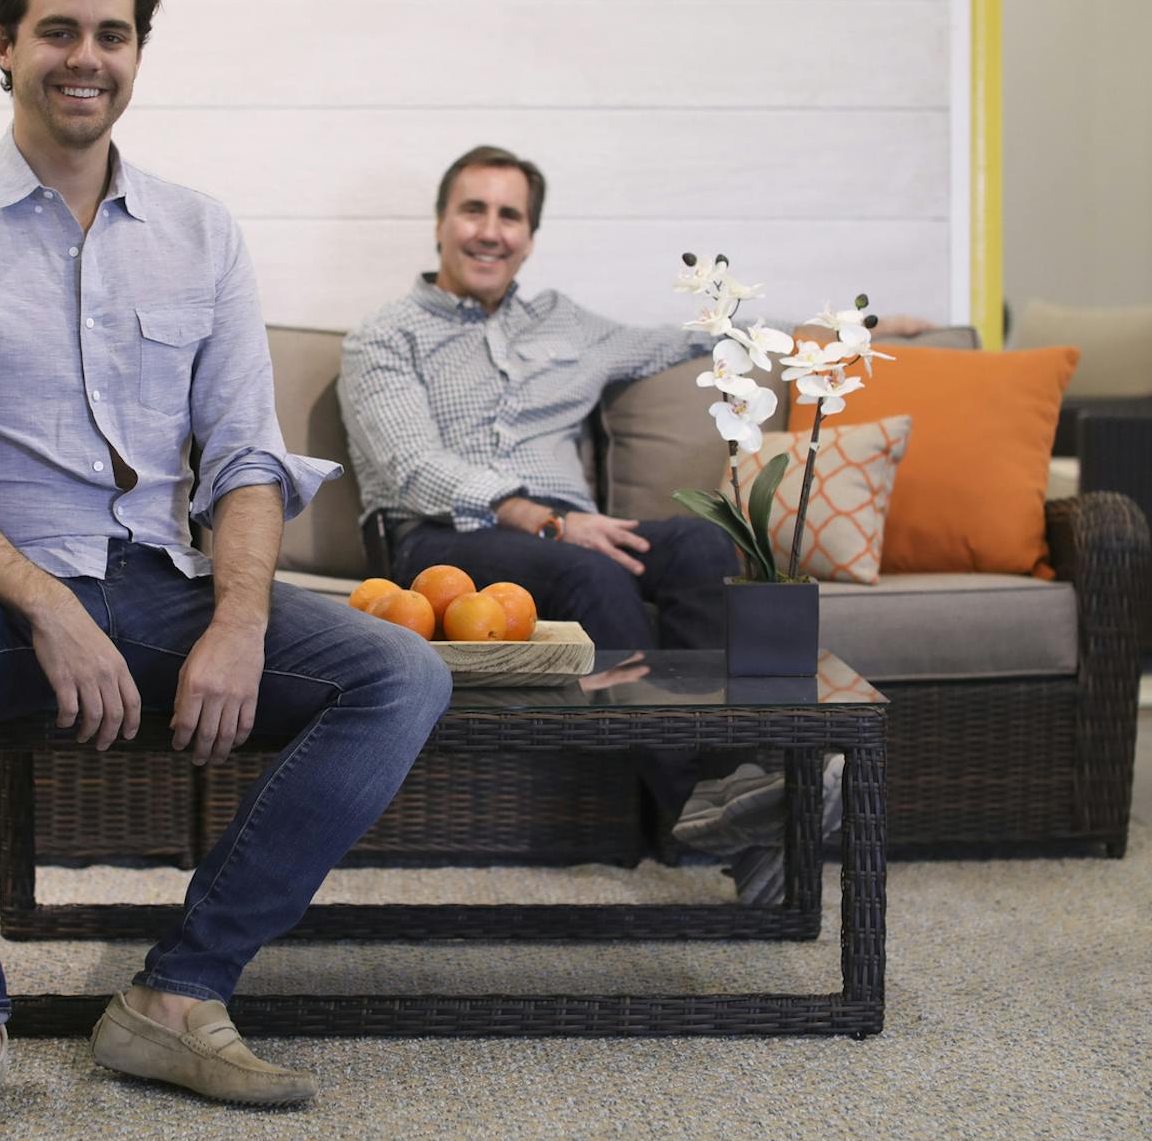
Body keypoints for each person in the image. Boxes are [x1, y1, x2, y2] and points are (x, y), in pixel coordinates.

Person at [0, 0, 450, 1141]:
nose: (87, 56)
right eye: (58, 29)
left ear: (137, 52)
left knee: (400, 670)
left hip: (165, 583)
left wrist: (237, 622)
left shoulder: (201, 232)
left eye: (112, 33)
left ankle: (178, 993)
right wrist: (49, 603)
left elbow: (244, 454)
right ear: (5, 44)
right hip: (0, 608)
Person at [338, 146, 928, 891]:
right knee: (593, 572)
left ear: (530, 236)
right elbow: (410, 465)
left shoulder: (566, 323)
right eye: (473, 210)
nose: (490, 231)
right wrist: (545, 520)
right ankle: (699, 813)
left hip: (569, 534)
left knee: (698, 543)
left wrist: (849, 331)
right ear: (440, 223)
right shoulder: (386, 336)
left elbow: (691, 337)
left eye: (509, 215)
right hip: (444, 545)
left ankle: (736, 785)